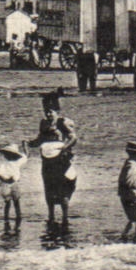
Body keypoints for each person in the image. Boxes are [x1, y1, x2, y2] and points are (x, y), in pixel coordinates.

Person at [30, 92, 78, 225]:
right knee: (48, 187)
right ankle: (51, 215)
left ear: (57, 111)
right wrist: (30, 143)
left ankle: (64, 216)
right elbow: (40, 139)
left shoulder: (62, 123)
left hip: (60, 160)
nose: (48, 114)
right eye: (46, 112)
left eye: (50, 112)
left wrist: (65, 148)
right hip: (47, 160)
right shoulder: (43, 123)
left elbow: (73, 138)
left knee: (62, 187)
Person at [0, 143, 27, 227]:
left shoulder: (3, 163)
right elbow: (26, 156)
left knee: (9, 202)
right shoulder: (16, 162)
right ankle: (17, 216)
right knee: (15, 201)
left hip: (7, 184)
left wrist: (5, 179)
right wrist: (24, 147)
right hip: (10, 183)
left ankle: (8, 217)